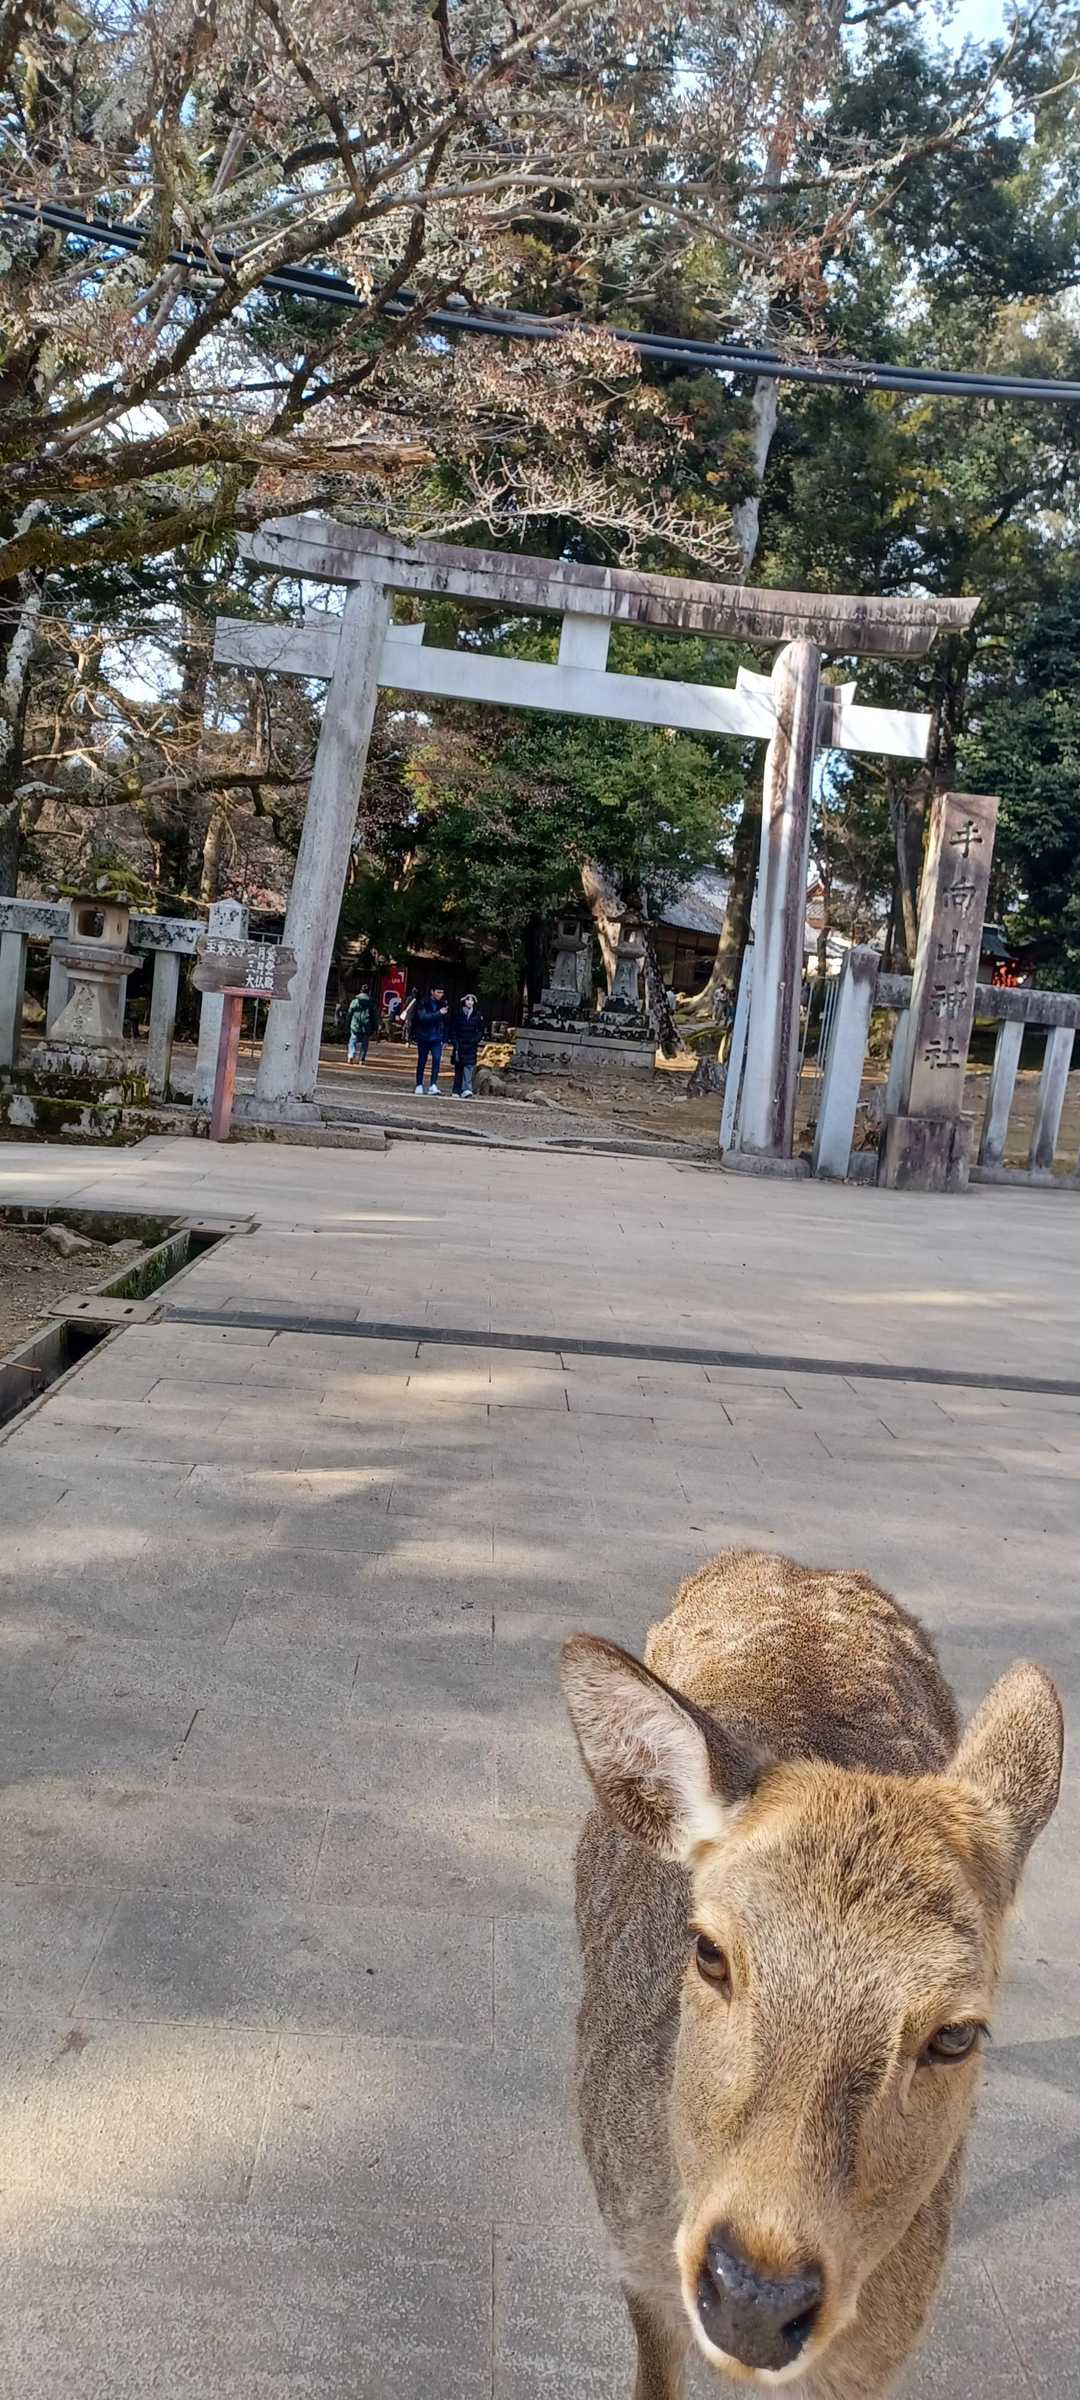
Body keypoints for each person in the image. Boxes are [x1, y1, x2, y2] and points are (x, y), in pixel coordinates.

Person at [413, 984, 449, 1094]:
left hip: (437, 1037)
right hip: (423, 1036)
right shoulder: (423, 1003)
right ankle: (419, 1084)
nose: (440, 995)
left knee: (437, 1059)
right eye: (438, 992)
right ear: (432, 992)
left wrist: (445, 1039)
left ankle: (433, 1084)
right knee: (422, 1060)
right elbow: (423, 1018)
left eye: (442, 992)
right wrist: (439, 1013)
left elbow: (446, 1022)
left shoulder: (443, 1004)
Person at [449, 992, 486, 1097]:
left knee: (469, 1066)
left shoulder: (477, 1014)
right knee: (459, 1066)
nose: (470, 1002)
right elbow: (453, 1028)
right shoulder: (458, 1013)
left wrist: (475, 1040)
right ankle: (456, 1089)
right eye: (468, 1000)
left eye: (472, 1000)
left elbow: (480, 1030)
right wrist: (454, 1041)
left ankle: (467, 1088)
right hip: (459, 1043)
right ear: (464, 1001)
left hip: (471, 1044)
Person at [346, 986, 374, 1064]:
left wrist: (347, 1023)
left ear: (360, 991)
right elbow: (374, 1016)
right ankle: (361, 1059)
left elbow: (349, 1014)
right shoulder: (371, 1003)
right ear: (368, 992)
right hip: (366, 1026)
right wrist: (375, 1027)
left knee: (353, 1041)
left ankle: (351, 1056)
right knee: (364, 1043)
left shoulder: (354, 1001)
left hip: (355, 1025)